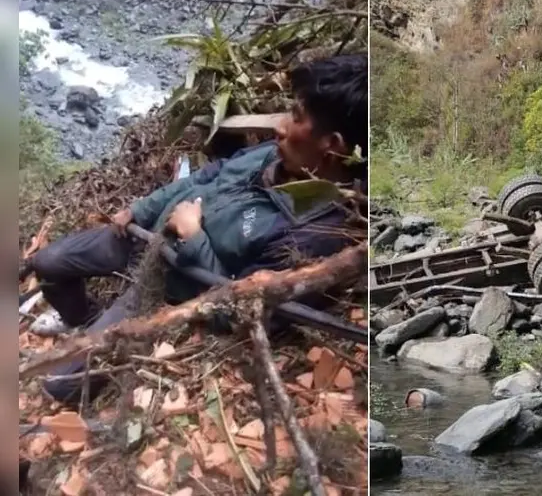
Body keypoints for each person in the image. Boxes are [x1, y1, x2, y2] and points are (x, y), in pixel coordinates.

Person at [23, 53, 368, 403]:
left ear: (332, 145)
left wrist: (193, 239)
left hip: (167, 283)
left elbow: (238, 311)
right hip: (147, 235)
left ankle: (101, 352)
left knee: (60, 385)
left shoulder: (316, 237)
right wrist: (142, 208)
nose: (279, 126)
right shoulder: (280, 153)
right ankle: (87, 319)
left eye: (296, 116)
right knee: (48, 263)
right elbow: (208, 174)